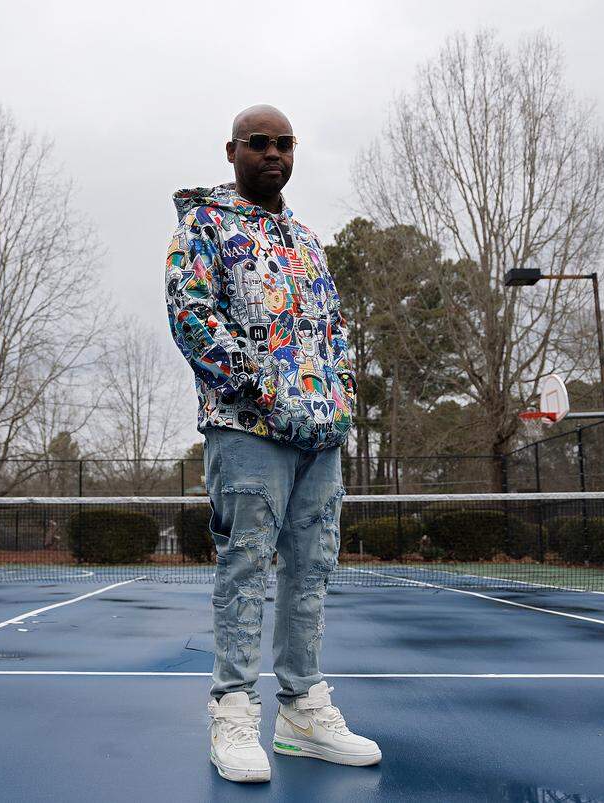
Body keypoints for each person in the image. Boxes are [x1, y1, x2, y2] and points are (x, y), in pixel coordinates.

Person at [164, 104, 382, 783]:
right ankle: (233, 709)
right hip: (247, 428)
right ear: (232, 151)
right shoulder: (202, 227)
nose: (272, 153)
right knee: (247, 565)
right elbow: (191, 316)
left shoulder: (308, 241)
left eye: (284, 143)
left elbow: (336, 328)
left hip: (321, 435)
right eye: (258, 143)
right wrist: (265, 390)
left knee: (313, 564)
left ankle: (302, 709)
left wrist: (339, 396)